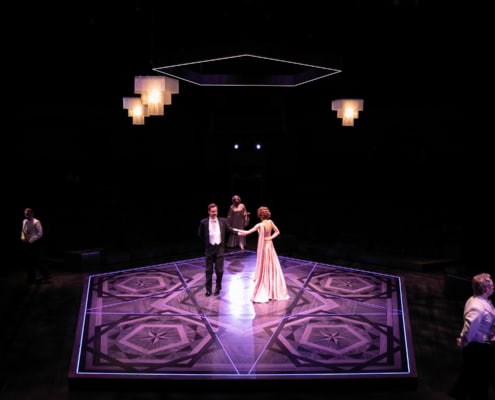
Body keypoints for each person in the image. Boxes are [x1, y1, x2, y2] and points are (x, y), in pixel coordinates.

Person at [449, 272, 495, 400]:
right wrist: (463, 341)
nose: (494, 287)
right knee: (477, 380)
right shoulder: (477, 307)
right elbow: (470, 329)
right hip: (477, 348)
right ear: (486, 289)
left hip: (480, 346)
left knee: (470, 377)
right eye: (492, 286)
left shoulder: (480, 300)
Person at [235, 206, 290, 303]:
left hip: (265, 247)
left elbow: (247, 232)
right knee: (272, 266)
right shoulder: (270, 222)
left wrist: (235, 231)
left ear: (260, 215)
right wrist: (270, 238)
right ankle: (272, 289)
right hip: (270, 246)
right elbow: (277, 232)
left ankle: (266, 288)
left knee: (265, 266)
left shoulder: (259, 225)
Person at [198, 203, 237, 297]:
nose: (214, 213)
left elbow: (230, 229)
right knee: (209, 271)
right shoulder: (203, 222)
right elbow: (200, 235)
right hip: (210, 249)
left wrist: (239, 233)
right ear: (208, 211)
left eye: (216, 211)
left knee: (219, 271)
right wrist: (208, 243)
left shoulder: (223, 221)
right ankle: (208, 290)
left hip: (219, 249)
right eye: (212, 211)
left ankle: (218, 288)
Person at [20, 207, 51, 284]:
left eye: (28, 213)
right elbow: (23, 231)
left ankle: (46, 274)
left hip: (35, 244)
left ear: (32, 213)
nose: (26, 215)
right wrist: (23, 237)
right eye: (25, 213)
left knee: (37, 261)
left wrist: (30, 240)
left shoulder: (36, 222)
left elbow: (40, 233)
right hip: (27, 244)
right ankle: (31, 277)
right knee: (29, 261)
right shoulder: (24, 221)